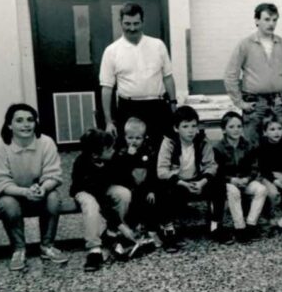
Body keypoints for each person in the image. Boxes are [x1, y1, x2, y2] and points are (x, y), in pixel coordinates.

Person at [0, 103, 69, 271]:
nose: (26, 125)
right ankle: (19, 250)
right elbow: (0, 182)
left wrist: (43, 188)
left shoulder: (46, 142)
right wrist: (24, 192)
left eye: (30, 120)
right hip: (9, 195)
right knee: (9, 204)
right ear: (9, 125)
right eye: (19, 120)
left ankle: (47, 246)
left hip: (38, 193)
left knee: (53, 198)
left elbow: (53, 174)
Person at [224, 3, 282, 146]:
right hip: (254, 104)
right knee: (253, 146)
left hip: (279, 103)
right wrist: (239, 102)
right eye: (267, 19)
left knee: (278, 146)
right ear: (257, 20)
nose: (271, 24)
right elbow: (231, 75)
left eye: (274, 20)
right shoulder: (245, 45)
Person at [99, 2, 177, 149]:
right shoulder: (111, 51)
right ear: (120, 22)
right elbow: (107, 88)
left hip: (158, 107)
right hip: (129, 108)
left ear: (143, 22)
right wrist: (109, 121)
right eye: (127, 24)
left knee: (161, 149)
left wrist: (173, 103)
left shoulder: (158, 45)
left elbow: (168, 77)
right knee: (131, 152)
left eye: (136, 23)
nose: (132, 28)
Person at [156, 106, 224, 248]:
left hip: (197, 181)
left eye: (193, 126)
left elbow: (211, 165)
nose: (191, 130)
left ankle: (215, 225)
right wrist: (182, 183)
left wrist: (202, 182)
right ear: (176, 128)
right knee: (162, 187)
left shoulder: (202, 141)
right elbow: (162, 171)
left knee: (218, 183)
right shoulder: (169, 142)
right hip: (178, 183)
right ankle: (168, 230)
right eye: (185, 126)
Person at [70, 129, 134, 272]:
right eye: (109, 149)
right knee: (91, 205)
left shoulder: (109, 158)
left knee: (123, 194)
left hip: (103, 188)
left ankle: (111, 234)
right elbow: (101, 200)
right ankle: (94, 249)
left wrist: (128, 158)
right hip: (84, 190)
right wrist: (121, 225)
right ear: (95, 154)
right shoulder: (82, 164)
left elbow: (125, 178)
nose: (113, 151)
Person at [213, 112, 268, 243]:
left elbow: (255, 167)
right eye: (231, 127)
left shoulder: (248, 145)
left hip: (245, 180)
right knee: (233, 192)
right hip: (228, 182)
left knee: (261, 189)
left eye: (239, 126)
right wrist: (231, 180)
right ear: (224, 129)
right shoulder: (218, 148)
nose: (236, 130)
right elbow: (216, 171)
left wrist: (247, 179)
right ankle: (240, 228)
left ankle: (251, 224)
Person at [110, 117, 159, 259]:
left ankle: (151, 231)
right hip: (129, 187)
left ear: (144, 138)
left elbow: (152, 172)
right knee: (131, 204)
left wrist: (151, 189)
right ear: (125, 137)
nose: (134, 141)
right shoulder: (121, 153)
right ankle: (130, 232)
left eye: (138, 138)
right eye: (130, 138)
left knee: (150, 202)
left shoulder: (148, 152)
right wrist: (129, 157)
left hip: (144, 187)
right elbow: (121, 173)